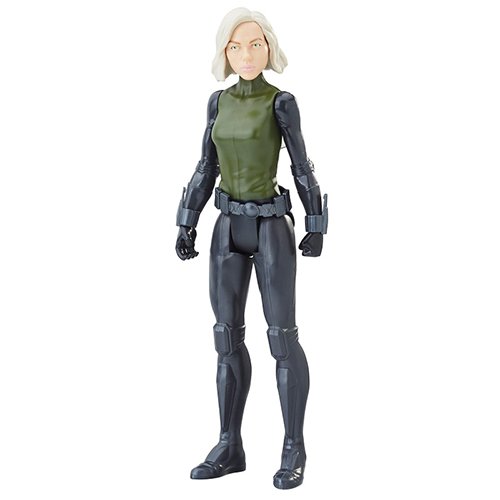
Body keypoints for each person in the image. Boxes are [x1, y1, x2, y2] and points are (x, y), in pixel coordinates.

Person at [175, 7, 328, 490]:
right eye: (236, 46)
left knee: (282, 338)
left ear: (269, 47)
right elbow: (206, 165)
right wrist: (187, 220)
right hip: (227, 228)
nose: (246, 54)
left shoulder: (281, 102)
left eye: (255, 44)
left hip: (270, 226)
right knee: (226, 337)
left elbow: (301, 164)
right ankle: (229, 445)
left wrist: (316, 222)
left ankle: (293, 448)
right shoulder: (217, 102)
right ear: (225, 51)